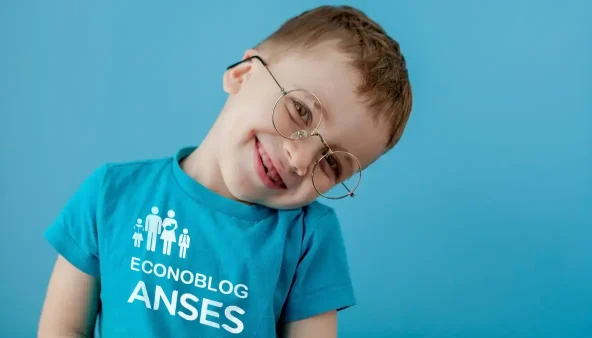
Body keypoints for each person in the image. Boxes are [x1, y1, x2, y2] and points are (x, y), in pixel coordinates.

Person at [38, 5, 412, 338]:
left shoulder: (308, 238)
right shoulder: (111, 194)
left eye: (330, 163)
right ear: (243, 74)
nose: (301, 160)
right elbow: (64, 328)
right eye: (300, 111)